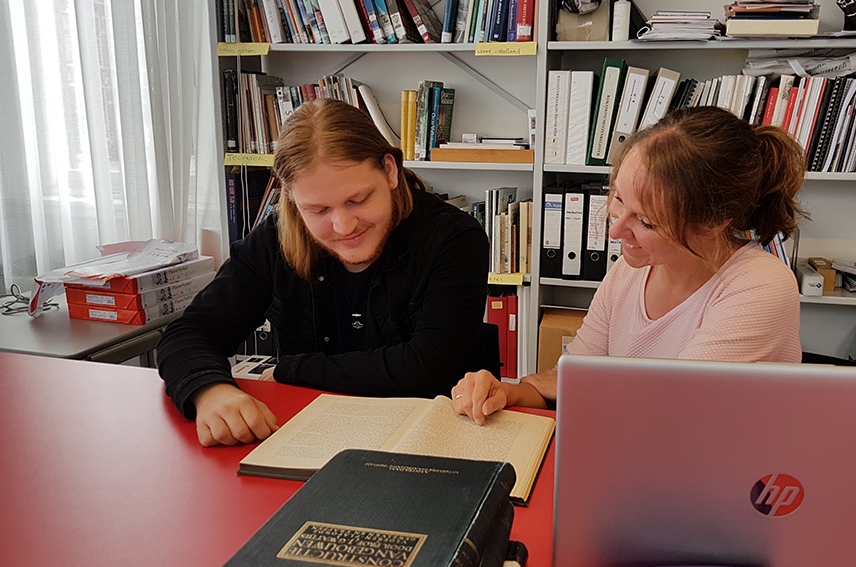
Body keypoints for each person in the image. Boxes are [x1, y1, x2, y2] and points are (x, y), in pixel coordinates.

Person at [158, 98, 490, 447]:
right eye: (317, 209)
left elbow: (426, 368)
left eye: (358, 199)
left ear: (390, 170)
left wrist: (291, 370)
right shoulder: (276, 237)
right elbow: (190, 332)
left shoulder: (453, 238)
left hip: (433, 437)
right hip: (313, 437)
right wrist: (210, 390)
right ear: (291, 198)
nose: (344, 226)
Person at [452, 105, 806, 425]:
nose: (616, 230)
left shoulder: (761, 285)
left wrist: (578, 387)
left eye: (647, 222)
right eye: (619, 198)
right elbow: (569, 383)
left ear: (713, 222)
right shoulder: (628, 272)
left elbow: (666, 413)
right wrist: (510, 391)